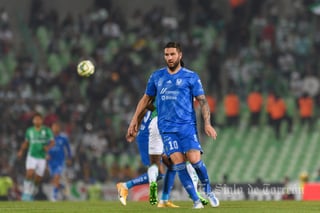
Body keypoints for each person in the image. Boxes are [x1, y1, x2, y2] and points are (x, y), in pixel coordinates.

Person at [127, 42, 219, 209]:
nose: (169, 58)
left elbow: (203, 101)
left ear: (180, 55)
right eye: (166, 55)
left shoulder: (191, 77)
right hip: (167, 129)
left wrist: (207, 123)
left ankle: (207, 190)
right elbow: (145, 99)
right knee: (179, 164)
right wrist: (135, 120)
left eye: (172, 54)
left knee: (195, 161)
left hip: (187, 126)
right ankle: (196, 201)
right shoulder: (156, 77)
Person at [17, 112, 55, 201]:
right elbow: (26, 142)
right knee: (29, 173)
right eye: (35, 119)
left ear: (42, 120)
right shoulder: (29, 131)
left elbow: (53, 142)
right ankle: (26, 193)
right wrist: (21, 151)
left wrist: (48, 148)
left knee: (38, 177)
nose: (37, 121)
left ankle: (33, 191)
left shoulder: (47, 131)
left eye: (39, 119)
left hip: (42, 157)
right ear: (33, 121)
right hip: (32, 155)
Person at [47, 122, 72, 201]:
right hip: (51, 162)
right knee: (55, 180)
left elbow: (68, 149)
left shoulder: (63, 138)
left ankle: (54, 196)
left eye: (57, 127)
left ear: (59, 128)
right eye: (54, 127)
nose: (55, 128)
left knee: (57, 177)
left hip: (60, 161)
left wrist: (69, 158)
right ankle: (64, 188)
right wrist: (46, 155)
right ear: (52, 128)